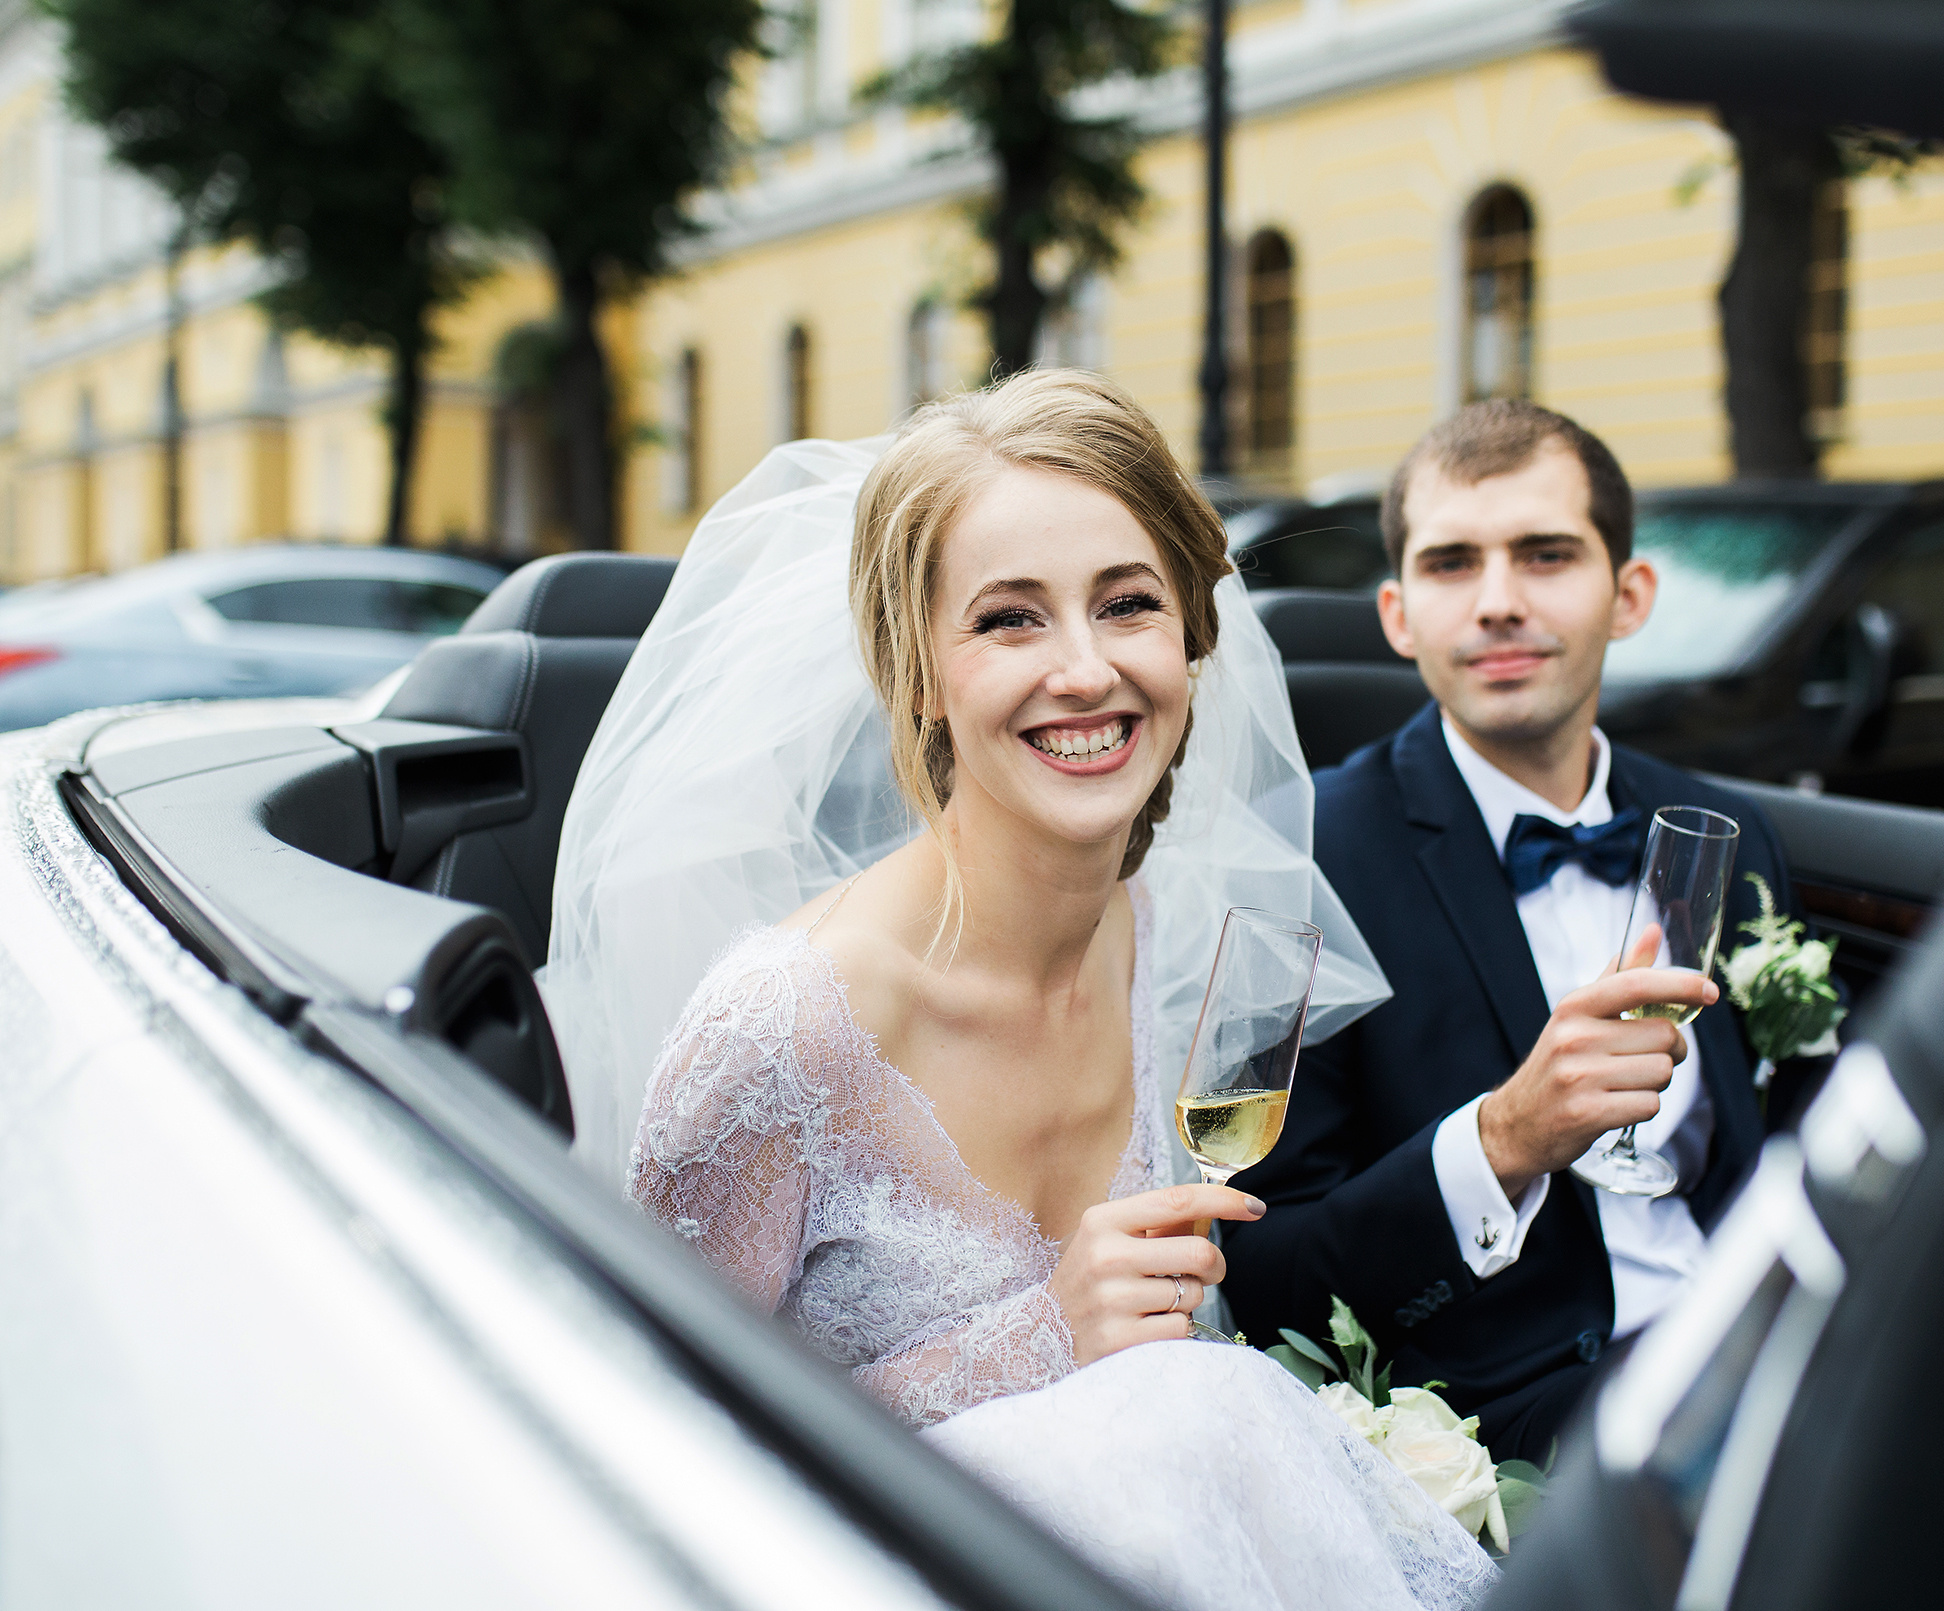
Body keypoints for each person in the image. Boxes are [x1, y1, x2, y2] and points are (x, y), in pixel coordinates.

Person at [545, 371, 1497, 1611]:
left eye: (1129, 604)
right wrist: (1044, 1334)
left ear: (1193, 642)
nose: (1088, 670)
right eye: (1009, 620)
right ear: (918, 672)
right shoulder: (783, 1030)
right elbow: (648, 1456)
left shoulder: (1166, 935)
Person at [1222, 399, 1827, 1467]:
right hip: (1519, 1423)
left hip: (1767, 1348)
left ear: (1629, 593)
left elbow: (1792, 1145)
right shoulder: (1295, 862)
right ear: (1399, 615)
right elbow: (1266, 1277)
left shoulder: (1732, 839)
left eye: (1546, 555)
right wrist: (1502, 1141)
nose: (1499, 603)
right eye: (1454, 564)